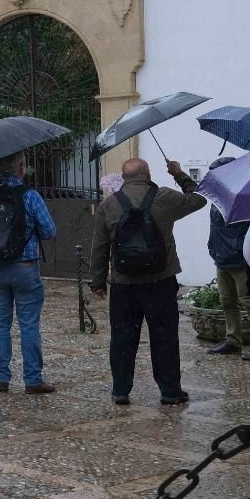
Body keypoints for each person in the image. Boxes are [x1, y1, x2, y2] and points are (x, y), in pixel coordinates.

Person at [90, 157, 206, 406]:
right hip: (160, 281)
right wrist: (178, 173)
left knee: (122, 337)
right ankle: (170, 391)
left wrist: (98, 281)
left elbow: (99, 247)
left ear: (124, 177)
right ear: (148, 174)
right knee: (164, 337)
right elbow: (199, 198)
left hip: (123, 285)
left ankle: (121, 390)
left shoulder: (109, 205)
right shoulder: (164, 197)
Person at [0, 153, 58, 394]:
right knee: (29, 325)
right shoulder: (30, 196)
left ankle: (0, 376)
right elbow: (50, 231)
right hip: (25, 268)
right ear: (20, 168)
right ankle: (33, 380)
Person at [196, 156, 250, 360]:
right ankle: (232, 339)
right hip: (221, 257)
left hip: (238, 259)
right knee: (227, 302)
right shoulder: (217, 196)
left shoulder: (242, 195)